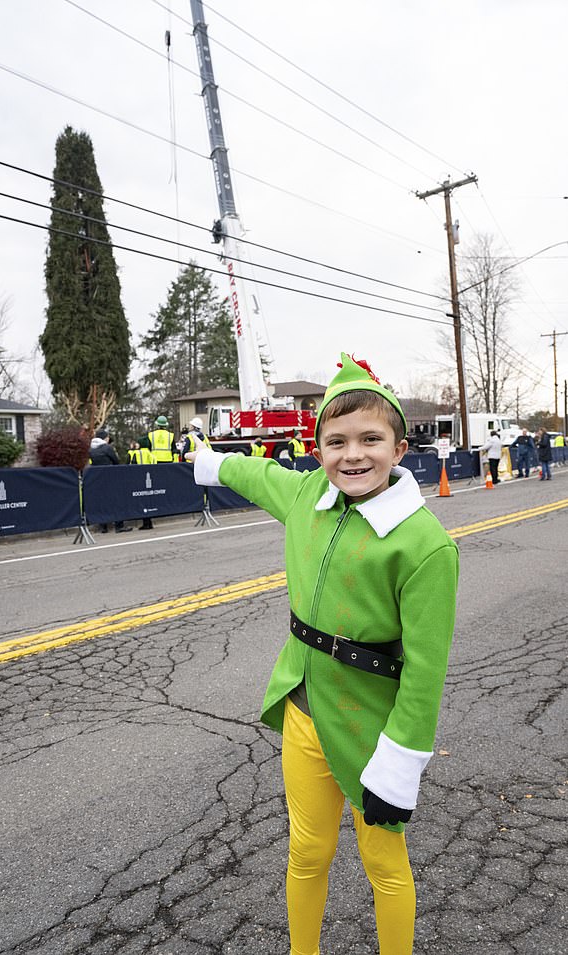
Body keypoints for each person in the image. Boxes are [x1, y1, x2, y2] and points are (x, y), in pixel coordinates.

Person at [186, 352, 459, 955]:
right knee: (307, 852)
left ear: (399, 448)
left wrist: (400, 760)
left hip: (372, 727)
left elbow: (425, 671)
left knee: (383, 863)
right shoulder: (309, 494)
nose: (353, 454)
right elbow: (256, 477)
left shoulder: (425, 545)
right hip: (303, 713)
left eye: (370, 439)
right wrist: (210, 461)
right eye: (335, 441)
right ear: (317, 450)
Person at [88, 429, 133, 533]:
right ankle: (119, 525)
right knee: (117, 501)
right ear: (105, 438)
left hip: (97, 479)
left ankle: (103, 527)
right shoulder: (107, 448)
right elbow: (116, 461)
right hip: (110, 478)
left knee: (102, 502)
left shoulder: (91, 449)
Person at [127, 440, 156, 529]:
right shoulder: (149, 453)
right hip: (149, 477)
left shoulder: (134, 453)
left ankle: (145, 523)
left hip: (138, 478)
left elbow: (129, 464)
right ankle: (149, 522)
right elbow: (154, 462)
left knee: (141, 501)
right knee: (148, 500)